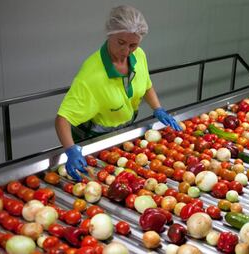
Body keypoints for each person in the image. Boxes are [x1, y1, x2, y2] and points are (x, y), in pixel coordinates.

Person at [55, 5, 181, 181]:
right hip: (94, 140)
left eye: (133, 45)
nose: (126, 51)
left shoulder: (139, 56)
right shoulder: (91, 75)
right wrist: (70, 149)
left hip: (123, 132)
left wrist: (158, 108)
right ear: (109, 34)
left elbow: (146, 85)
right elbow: (62, 119)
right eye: (121, 43)